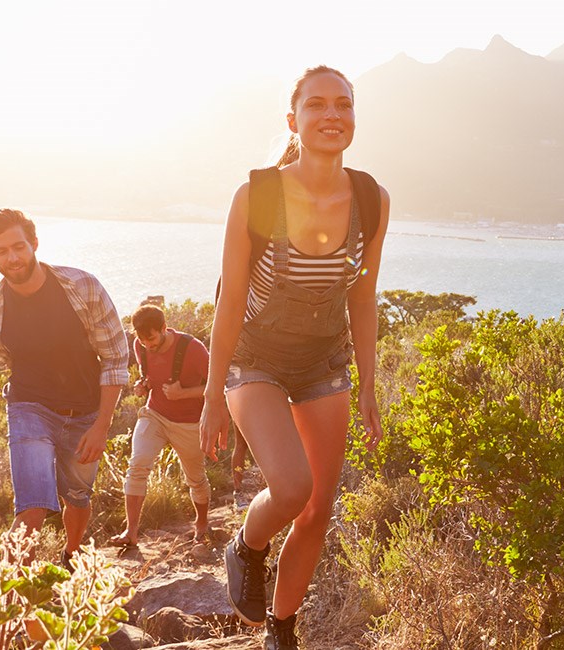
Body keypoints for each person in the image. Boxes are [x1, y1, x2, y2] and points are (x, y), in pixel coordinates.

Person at [200, 65, 389, 650]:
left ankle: (282, 629)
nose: (332, 115)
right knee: (290, 488)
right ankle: (246, 545)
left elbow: (362, 296)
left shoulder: (370, 197)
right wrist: (211, 399)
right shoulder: (256, 194)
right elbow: (230, 299)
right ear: (294, 120)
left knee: (317, 509)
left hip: (324, 363)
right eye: (317, 105)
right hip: (254, 356)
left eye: (344, 105)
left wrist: (368, 387)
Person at [0, 208, 128, 564]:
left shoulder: (82, 286)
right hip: (29, 408)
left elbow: (114, 357)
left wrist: (101, 426)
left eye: (18, 247)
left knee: (78, 497)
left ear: (34, 243)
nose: (12, 258)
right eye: (1, 251)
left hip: (86, 412)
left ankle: (72, 556)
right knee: (32, 509)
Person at [107, 304, 213, 549]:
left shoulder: (193, 349)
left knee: (196, 479)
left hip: (189, 423)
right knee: (137, 465)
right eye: (142, 340)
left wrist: (183, 393)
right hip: (154, 415)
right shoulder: (140, 345)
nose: (147, 345)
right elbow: (150, 377)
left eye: (152, 339)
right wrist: (142, 386)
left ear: (164, 328)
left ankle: (202, 523)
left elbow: (218, 386)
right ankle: (130, 532)